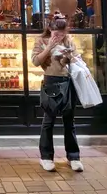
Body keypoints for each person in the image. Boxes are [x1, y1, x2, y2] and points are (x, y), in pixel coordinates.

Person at [31, 13, 83, 173]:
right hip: (51, 82)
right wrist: (49, 47)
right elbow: (35, 61)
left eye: (61, 34)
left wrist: (69, 56)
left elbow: (73, 61)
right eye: (56, 34)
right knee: (48, 121)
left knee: (69, 121)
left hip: (68, 81)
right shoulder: (41, 41)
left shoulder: (69, 41)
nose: (59, 37)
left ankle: (73, 157)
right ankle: (46, 157)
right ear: (50, 29)